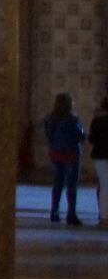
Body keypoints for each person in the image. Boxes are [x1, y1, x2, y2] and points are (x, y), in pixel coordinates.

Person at [43, 93, 85, 226]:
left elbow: (48, 134)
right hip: (71, 153)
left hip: (56, 152)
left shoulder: (50, 118)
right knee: (71, 185)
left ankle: (54, 211)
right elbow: (80, 135)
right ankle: (71, 214)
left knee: (57, 183)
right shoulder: (73, 119)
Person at [89, 94, 108, 228]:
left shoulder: (97, 120)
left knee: (104, 186)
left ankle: (104, 216)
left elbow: (92, 139)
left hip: (100, 155)